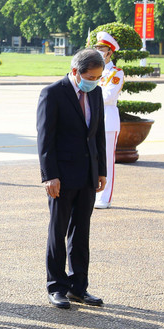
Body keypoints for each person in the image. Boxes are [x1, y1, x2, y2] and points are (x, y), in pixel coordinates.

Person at [37, 49, 107, 309]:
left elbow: (98, 134)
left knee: (81, 231)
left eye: (98, 77)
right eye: (91, 77)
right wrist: (50, 175)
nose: (94, 82)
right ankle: (56, 286)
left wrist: (101, 171)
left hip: (87, 174)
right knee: (58, 231)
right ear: (76, 71)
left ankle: (78, 287)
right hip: (62, 176)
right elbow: (45, 139)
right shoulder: (53, 93)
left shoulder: (96, 93)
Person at [94, 32, 123, 209]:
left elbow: (108, 96)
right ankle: (91, 194)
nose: (98, 51)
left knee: (106, 161)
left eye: (101, 48)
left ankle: (105, 197)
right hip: (92, 119)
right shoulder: (92, 70)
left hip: (108, 120)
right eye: (96, 48)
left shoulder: (116, 73)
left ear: (109, 52)